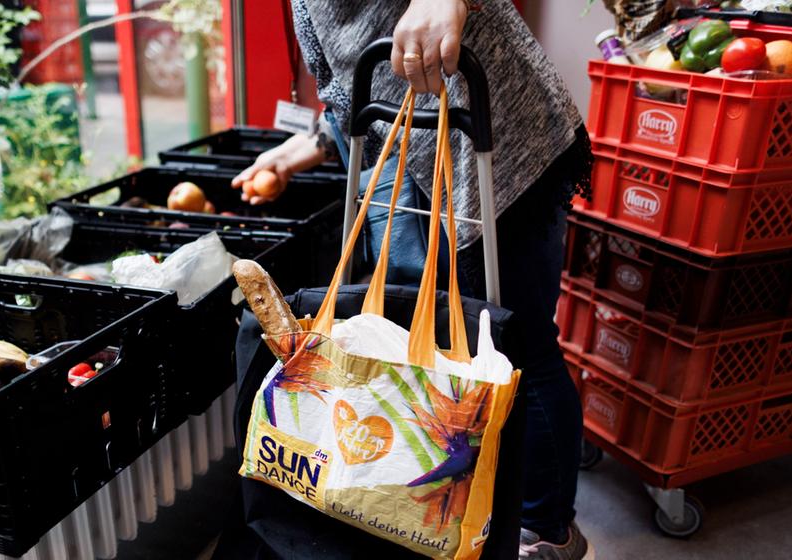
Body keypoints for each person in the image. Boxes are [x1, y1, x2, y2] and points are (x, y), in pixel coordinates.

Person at [231, 1, 593, 558]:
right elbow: (350, 86)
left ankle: (545, 531)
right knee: (435, 351)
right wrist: (293, 155)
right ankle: (451, 502)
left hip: (500, 147)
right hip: (409, 161)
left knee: (515, 351)